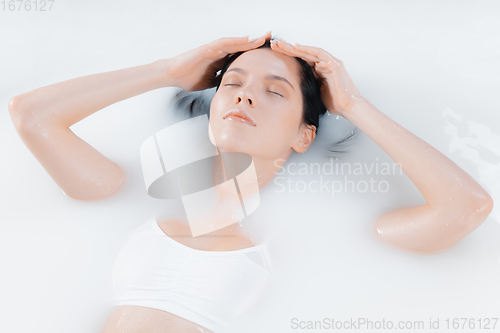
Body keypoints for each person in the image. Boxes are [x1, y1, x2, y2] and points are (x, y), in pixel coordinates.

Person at [8, 31, 494, 332]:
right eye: (233, 84)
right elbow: (31, 114)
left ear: (306, 135)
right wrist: (168, 71)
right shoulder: (131, 194)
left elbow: (465, 208)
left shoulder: (328, 235)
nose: (243, 98)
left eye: (274, 91)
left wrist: (352, 105)